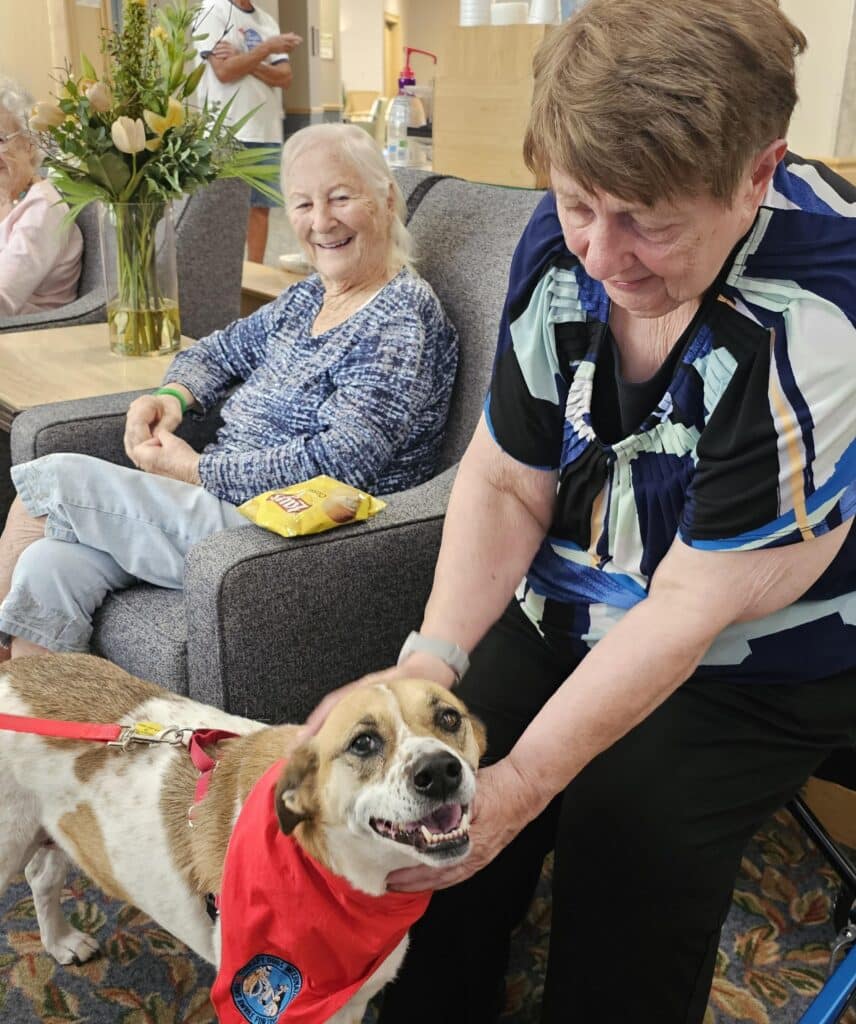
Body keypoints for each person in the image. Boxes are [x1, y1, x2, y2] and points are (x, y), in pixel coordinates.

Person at [303, 2, 856, 1021]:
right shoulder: (565, 244)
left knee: (623, 827)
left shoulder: (815, 318)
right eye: (577, 206)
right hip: (573, 592)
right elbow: (509, 476)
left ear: (756, 172)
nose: (601, 258)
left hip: (754, 652)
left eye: (648, 219)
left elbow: (689, 610)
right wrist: (428, 662)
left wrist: (519, 794)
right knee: (421, 790)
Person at [0, 123, 458, 660]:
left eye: (340, 197)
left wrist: (197, 471)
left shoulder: (399, 315)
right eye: (304, 204)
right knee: (48, 567)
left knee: (52, 483)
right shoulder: (310, 296)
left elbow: (344, 463)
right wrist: (170, 398)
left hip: (292, 529)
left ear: (385, 200)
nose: (322, 221)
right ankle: (38, 734)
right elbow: (216, 352)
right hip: (222, 503)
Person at [195, 0, 302, 262]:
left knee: (260, 210)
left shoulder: (267, 21)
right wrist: (266, 49)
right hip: (226, 130)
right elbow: (224, 71)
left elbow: (284, 77)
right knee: (223, 212)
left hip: (266, 130)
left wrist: (245, 59)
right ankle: (223, 279)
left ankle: (254, 278)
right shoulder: (211, 10)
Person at [0, 77, 82, 317]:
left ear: (30, 143)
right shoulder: (8, 199)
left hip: (28, 340)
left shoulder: (43, 208)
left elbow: (2, 299)